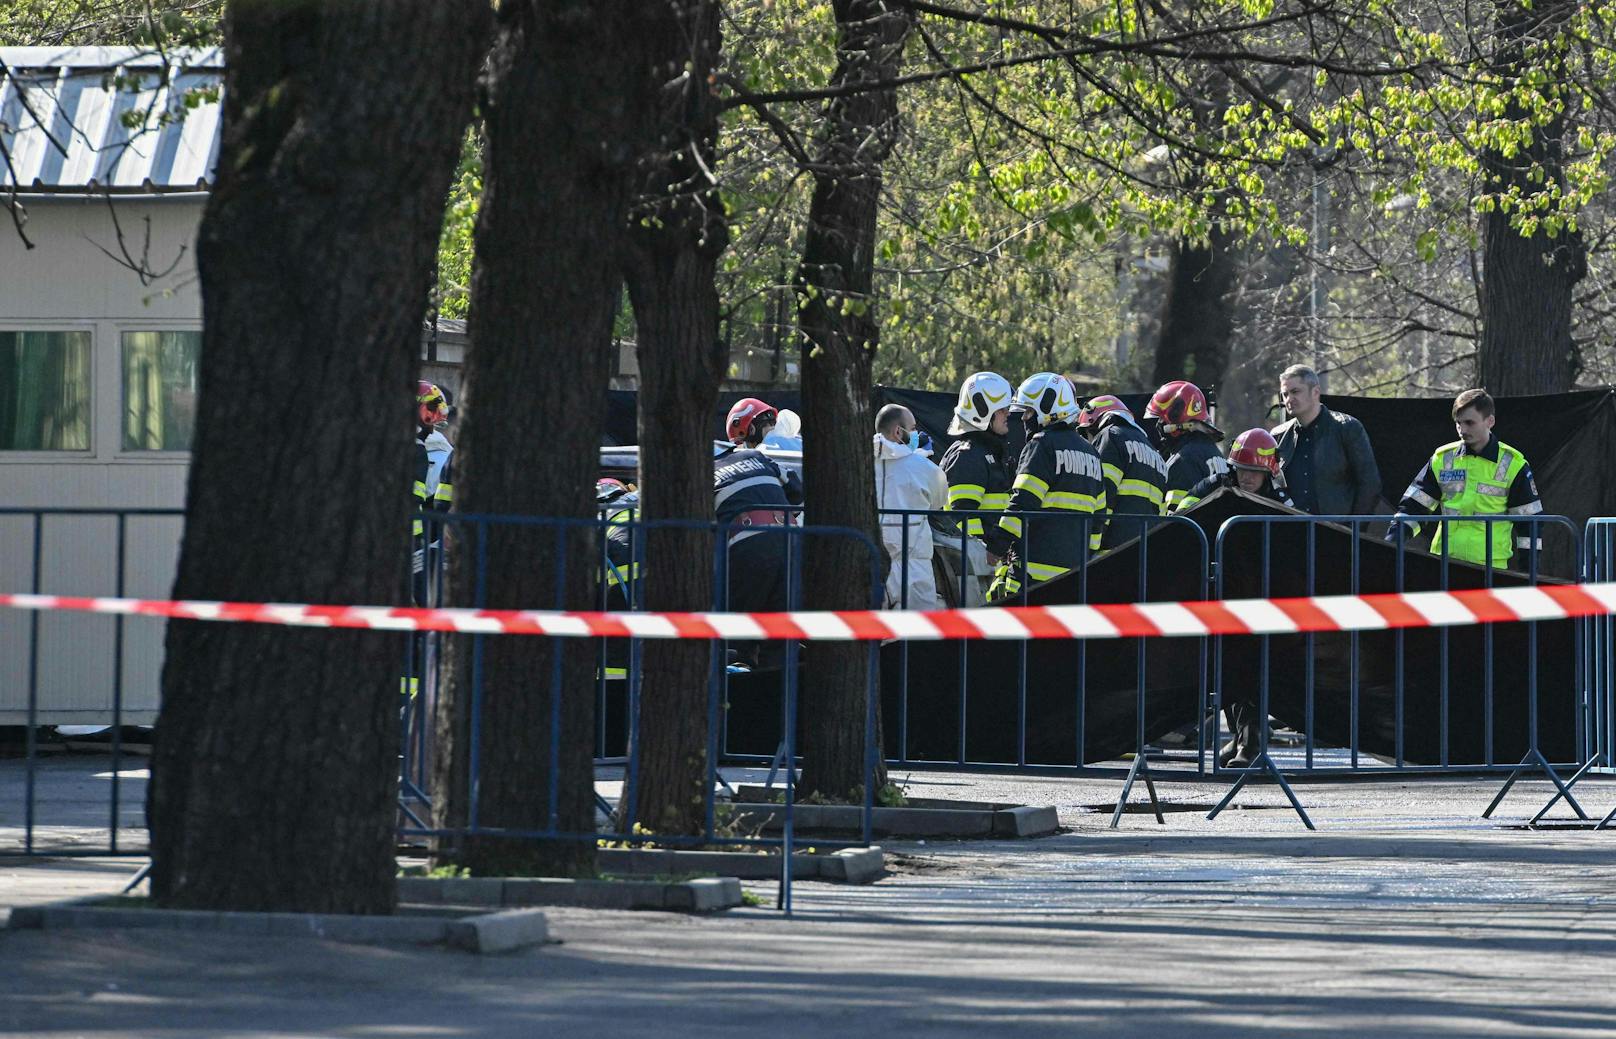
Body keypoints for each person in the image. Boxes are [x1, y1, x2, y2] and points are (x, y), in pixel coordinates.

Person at [1389, 388, 1543, 569]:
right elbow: (1414, 507)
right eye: (1458, 423)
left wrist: (1528, 574)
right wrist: (1391, 543)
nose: (1462, 430)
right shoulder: (1442, 458)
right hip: (1442, 563)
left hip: (1490, 569)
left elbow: (1530, 525)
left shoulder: (1513, 464)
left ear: (1490, 421)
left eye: (1469, 422)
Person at [992, 372, 1105, 598]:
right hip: (1074, 578)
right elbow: (1099, 519)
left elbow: (1023, 502)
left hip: (1032, 577)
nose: (1024, 418)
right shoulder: (1092, 453)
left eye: (1030, 411)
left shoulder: (1042, 445)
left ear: (1048, 411)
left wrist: (996, 547)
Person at [716, 397, 804, 615]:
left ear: (751, 428)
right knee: (781, 630)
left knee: (738, 624)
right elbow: (796, 491)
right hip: (794, 542)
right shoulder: (770, 453)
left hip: (747, 547)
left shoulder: (754, 453)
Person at [939, 372, 1016, 604]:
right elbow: (961, 515)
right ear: (983, 412)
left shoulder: (988, 452)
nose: (1007, 414)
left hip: (983, 567)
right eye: (1002, 409)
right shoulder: (969, 456)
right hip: (971, 568)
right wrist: (984, 553)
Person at [1271, 364, 1381, 516]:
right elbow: (1271, 486)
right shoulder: (1277, 436)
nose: (1289, 399)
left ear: (1315, 392)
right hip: (1291, 533)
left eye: (1295, 391)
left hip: (1337, 533)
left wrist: (1353, 531)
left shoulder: (1348, 428)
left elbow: (1370, 485)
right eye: (1285, 394)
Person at [874, 403, 950, 609]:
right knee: (916, 635)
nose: (917, 433)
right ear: (899, 432)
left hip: (871, 567)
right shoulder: (925, 468)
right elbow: (939, 502)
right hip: (914, 568)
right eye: (913, 428)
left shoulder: (859, 464)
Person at [1079, 394, 1167, 550]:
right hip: (1145, 550)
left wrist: (1092, 545)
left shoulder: (1110, 436)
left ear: (1095, 423)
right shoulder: (1155, 454)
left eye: (1086, 433)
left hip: (1112, 548)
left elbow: (1104, 493)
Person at [1146, 380, 1229, 512]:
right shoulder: (1216, 454)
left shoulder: (1184, 460)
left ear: (1176, 418)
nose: (1159, 425)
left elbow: (1173, 520)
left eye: (1162, 420)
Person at [1173, 427, 1294, 513]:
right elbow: (1188, 502)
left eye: (1254, 471)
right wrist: (1181, 514)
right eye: (1241, 469)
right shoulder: (1217, 483)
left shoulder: (1279, 499)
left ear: (1268, 473)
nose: (1246, 476)